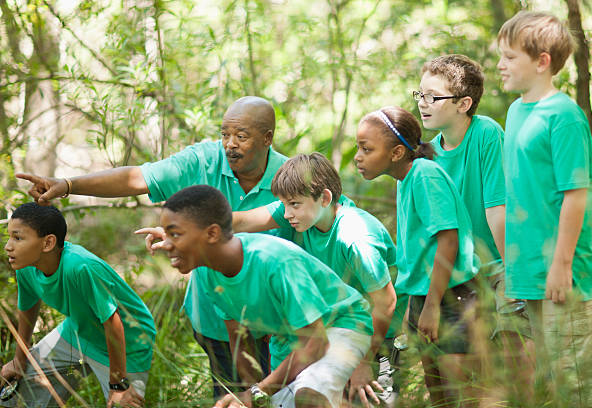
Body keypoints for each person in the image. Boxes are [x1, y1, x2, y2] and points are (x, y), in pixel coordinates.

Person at [16, 96, 287, 398]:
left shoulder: (290, 179)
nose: (230, 144)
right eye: (224, 134)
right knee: (231, 397)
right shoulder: (202, 161)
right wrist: (68, 185)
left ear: (267, 138)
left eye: (241, 136)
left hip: (277, 323)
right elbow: (136, 178)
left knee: (280, 397)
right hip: (216, 319)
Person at [146, 184, 373, 408]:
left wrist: (257, 392)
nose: (166, 245)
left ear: (212, 233)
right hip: (291, 340)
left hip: (341, 325)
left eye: (174, 234)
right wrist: (250, 396)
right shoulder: (207, 271)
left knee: (309, 395)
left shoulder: (274, 262)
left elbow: (315, 342)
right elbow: (239, 339)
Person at [497, 11, 592, 408]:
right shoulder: (515, 112)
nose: (500, 65)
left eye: (510, 57)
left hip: (568, 273)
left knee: (578, 381)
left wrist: (561, 265)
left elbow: (576, 195)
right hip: (530, 272)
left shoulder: (563, 117)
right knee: (551, 378)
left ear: (542, 61)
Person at [232, 152, 397, 406]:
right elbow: (241, 221)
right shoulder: (303, 213)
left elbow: (385, 302)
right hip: (332, 325)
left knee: (362, 400)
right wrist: (180, 232)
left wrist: (363, 361)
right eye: (283, 205)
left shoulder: (355, 237)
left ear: (325, 198)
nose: (286, 214)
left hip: (377, 333)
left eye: (294, 204)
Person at [415, 54, 533, 402]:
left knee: (517, 354)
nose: (423, 103)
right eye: (419, 94)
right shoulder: (428, 155)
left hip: (497, 262)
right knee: (465, 371)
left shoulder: (485, 134)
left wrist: (514, 270)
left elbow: (497, 209)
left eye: (433, 97)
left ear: (464, 103)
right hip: (457, 274)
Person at [354, 106, 480, 407]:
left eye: (366, 148)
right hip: (428, 296)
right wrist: (416, 303)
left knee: (458, 390)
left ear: (397, 152)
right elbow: (420, 250)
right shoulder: (405, 179)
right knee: (436, 390)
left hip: (452, 296)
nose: (358, 156)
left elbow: (448, 241)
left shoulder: (425, 175)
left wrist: (433, 306)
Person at [1, 202, 156, 408]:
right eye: (9, 236)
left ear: (47, 243)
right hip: (78, 330)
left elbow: (113, 323)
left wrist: (118, 386)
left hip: (128, 343)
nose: (8, 246)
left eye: (18, 238)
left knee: (123, 404)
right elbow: (28, 307)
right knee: (18, 394)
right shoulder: (26, 265)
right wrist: (19, 359)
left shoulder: (80, 266)